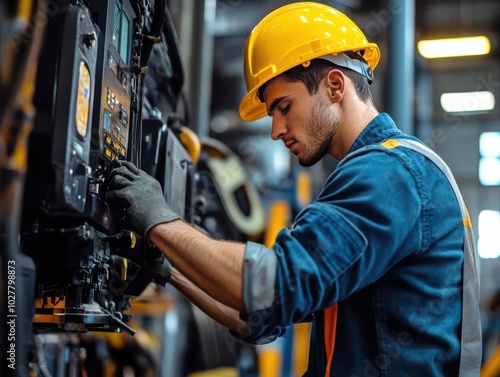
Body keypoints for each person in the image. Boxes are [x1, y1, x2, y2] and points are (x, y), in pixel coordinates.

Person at [106, 2, 482, 376]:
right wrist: (169, 266)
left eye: (284, 107)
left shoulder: (390, 174)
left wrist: (158, 217)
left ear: (335, 85)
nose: (275, 130)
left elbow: (275, 285)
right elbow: (261, 317)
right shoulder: (381, 173)